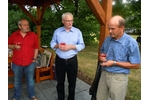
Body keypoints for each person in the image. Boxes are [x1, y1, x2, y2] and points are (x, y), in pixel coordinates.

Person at [96, 15, 141, 100]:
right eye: (109, 28)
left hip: (119, 77)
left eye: (113, 29)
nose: (109, 31)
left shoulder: (131, 42)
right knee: (100, 98)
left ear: (122, 28)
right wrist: (101, 57)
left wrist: (114, 63)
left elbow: (136, 65)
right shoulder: (108, 39)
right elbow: (102, 51)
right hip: (104, 74)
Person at [50, 12, 85, 100]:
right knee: (60, 82)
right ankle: (60, 98)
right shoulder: (57, 31)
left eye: (71, 21)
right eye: (67, 21)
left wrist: (71, 47)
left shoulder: (77, 32)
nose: (70, 23)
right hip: (60, 60)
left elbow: (82, 45)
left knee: (72, 82)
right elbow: (52, 43)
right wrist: (58, 46)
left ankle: (71, 98)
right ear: (63, 21)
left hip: (72, 60)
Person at [8, 19, 39, 100]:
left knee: (30, 81)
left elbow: (36, 48)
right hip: (17, 63)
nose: (27, 26)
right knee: (17, 82)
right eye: (24, 25)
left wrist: (34, 58)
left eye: (27, 24)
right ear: (19, 26)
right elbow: (7, 44)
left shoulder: (33, 35)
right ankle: (16, 96)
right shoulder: (14, 35)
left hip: (30, 63)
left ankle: (32, 95)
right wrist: (14, 46)